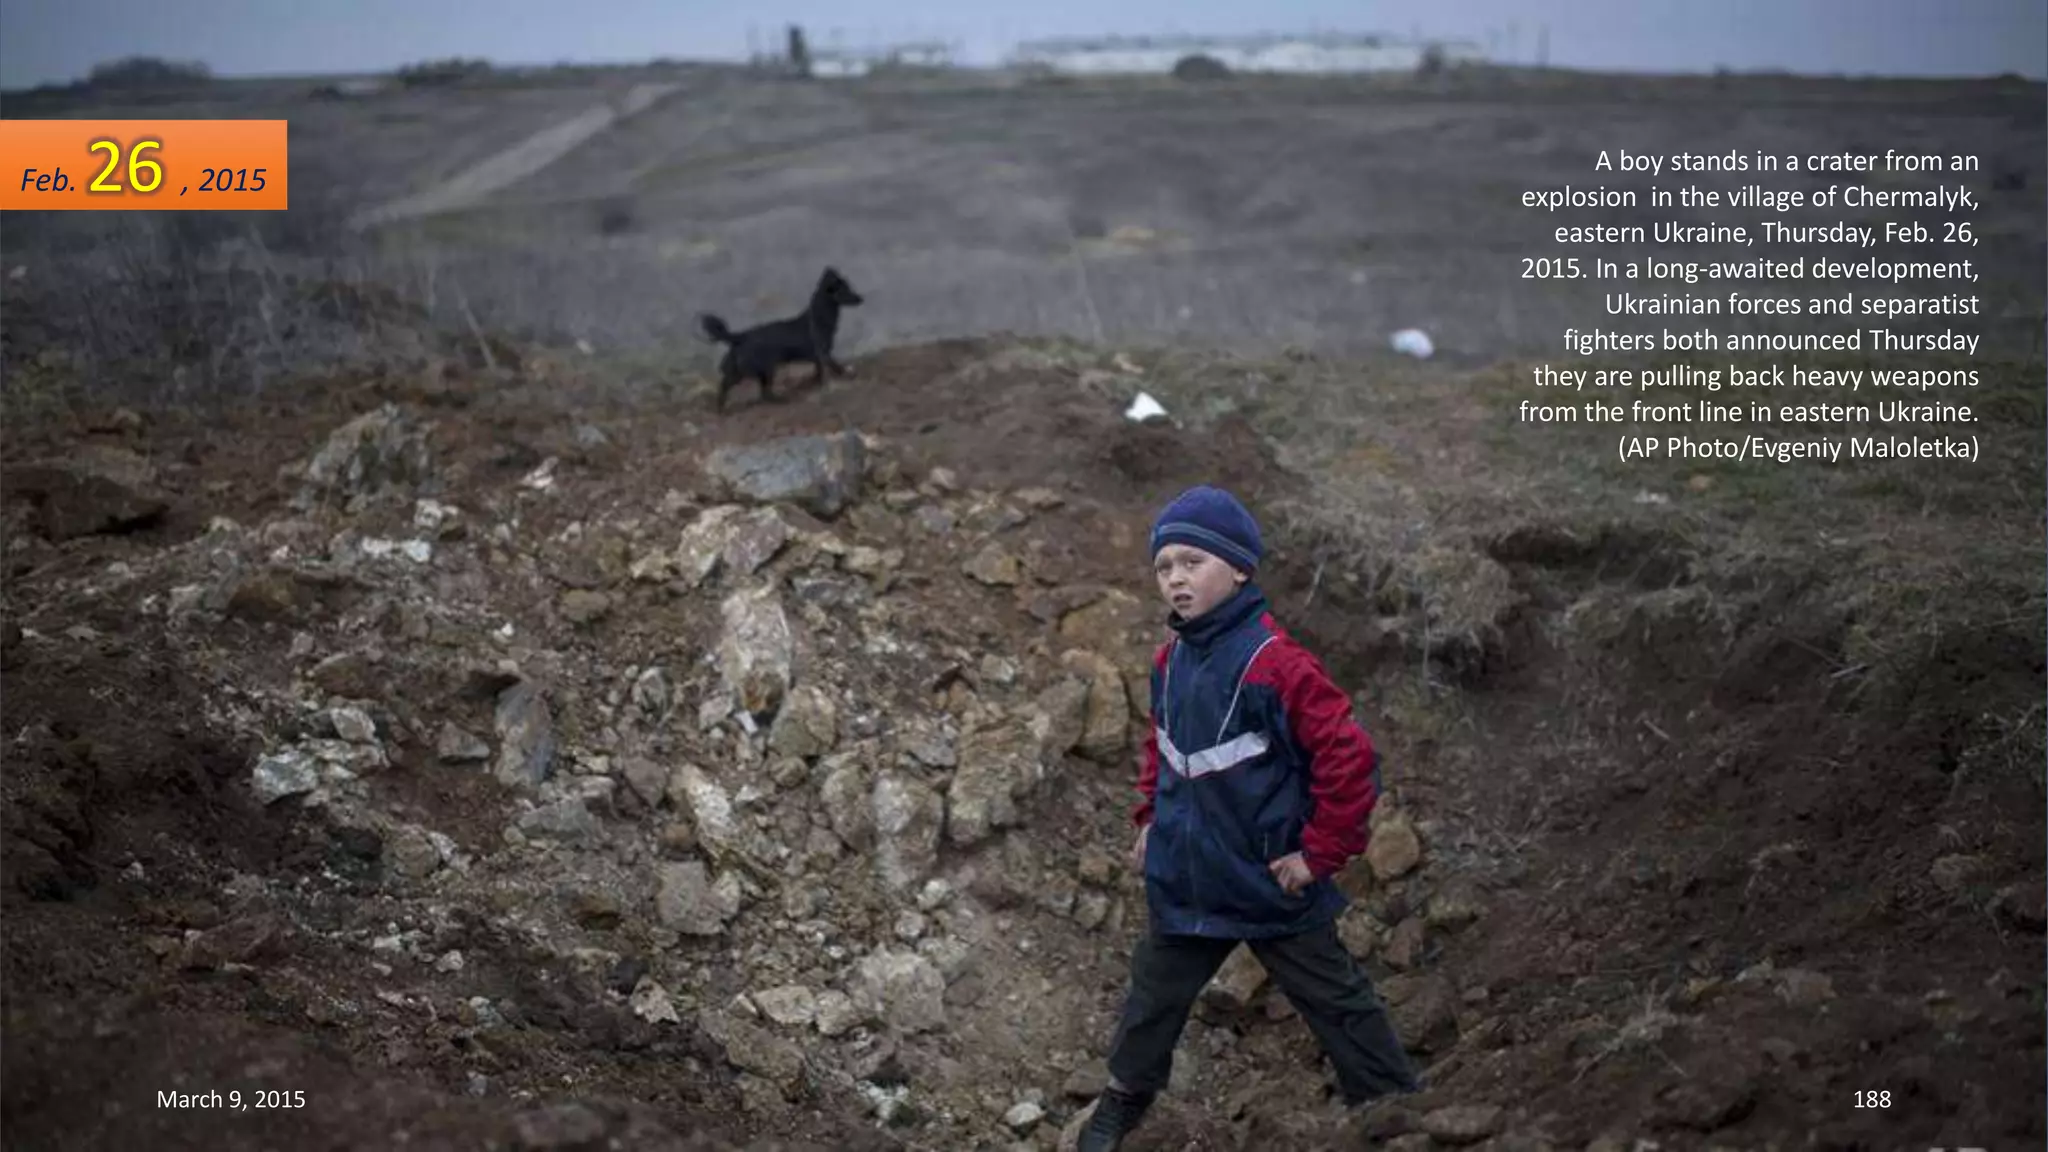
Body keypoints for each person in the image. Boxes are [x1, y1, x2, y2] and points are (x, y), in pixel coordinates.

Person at [1079, 485, 1420, 1152]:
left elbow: (1349, 761)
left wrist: (1319, 854)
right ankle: (1125, 1100)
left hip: (1271, 880)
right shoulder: (1169, 661)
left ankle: (1395, 1113)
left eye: (1192, 562)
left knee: (1338, 1002)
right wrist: (1150, 815)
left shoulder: (1279, 666)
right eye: (1164, 566)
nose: (1175, 577)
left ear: (1238, 568)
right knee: (1151, 1002)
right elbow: (1164, 746)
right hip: (1187, 882)